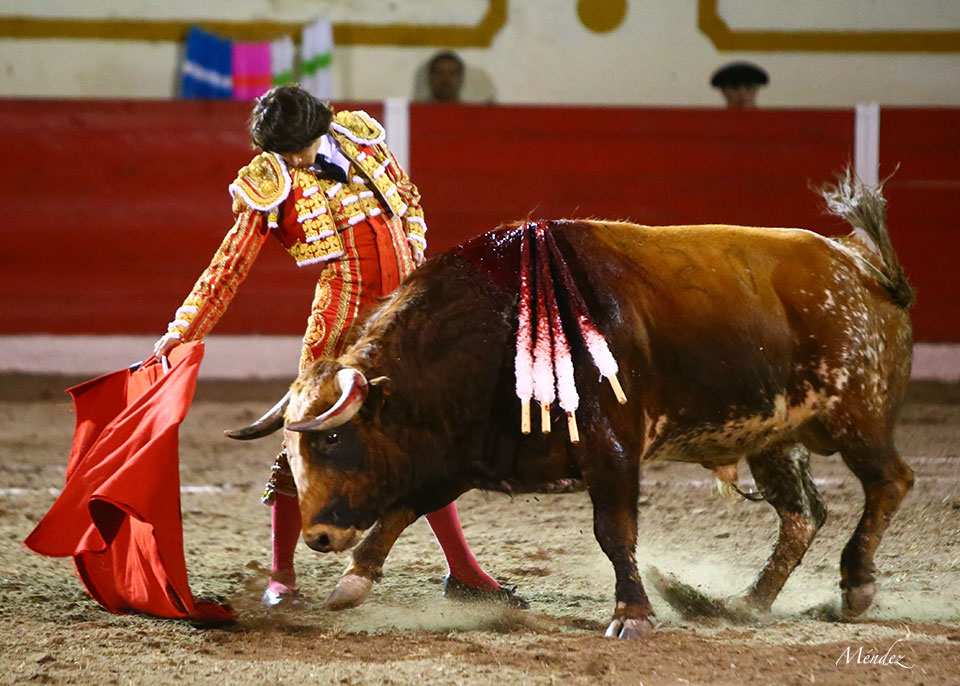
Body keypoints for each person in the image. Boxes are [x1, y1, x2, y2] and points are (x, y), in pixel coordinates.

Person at [153, 85, 524, 608]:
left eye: (298, 147)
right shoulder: (271, 182)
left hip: (402, 321)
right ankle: (282, 577)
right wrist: (183, 329)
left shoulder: (361, 138)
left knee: (426, 441)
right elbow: (228, 266)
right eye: (282, 153)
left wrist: (416, 273)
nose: (292, 160)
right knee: (304, 442)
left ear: (320, 126)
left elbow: (408, 202)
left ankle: (464, 570)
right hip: (341, 325)